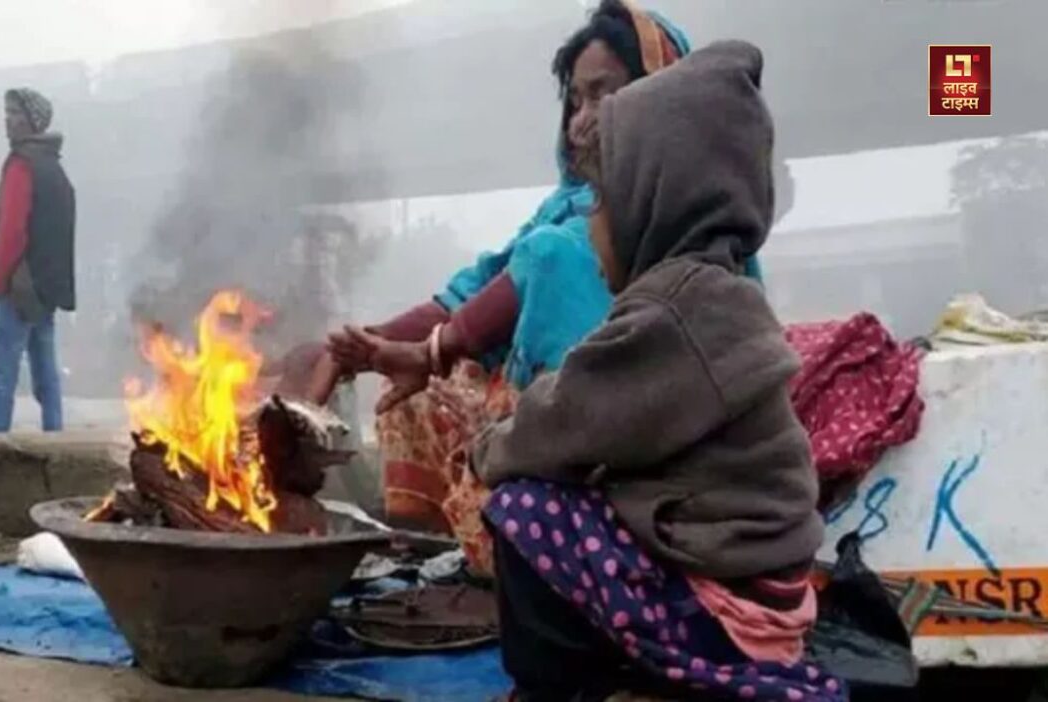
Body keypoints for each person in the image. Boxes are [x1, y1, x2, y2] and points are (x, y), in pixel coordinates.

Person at [314, 0, 762, 576]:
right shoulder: (566, 207)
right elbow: (478, 288)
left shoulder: (687, 218)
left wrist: (433, 355)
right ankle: (458, 550)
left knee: (512, 454)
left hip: (645, 445)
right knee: (419, 398)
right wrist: (359, 348)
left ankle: (545, 535)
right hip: (574, 422)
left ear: (660, 99)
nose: (581, 119)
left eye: (603, 94)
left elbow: (538, 266)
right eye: (575, 101)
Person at [473, 40, 844, 701]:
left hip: (724, 609)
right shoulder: (720, 292)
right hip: (762, 587)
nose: (589, 229)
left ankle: (560, 690)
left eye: (598, 205)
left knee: (525, 508)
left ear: (653, 203)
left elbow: (567, 420)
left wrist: (487, 450)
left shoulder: (672, 310)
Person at [0, 88, 76, 433]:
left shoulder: (21, 166)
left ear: (33, 122)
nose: (8, 120)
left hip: (16, 288)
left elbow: (11, 231)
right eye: (7, 113)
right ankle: (55, 436)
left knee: (3, 372)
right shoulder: (54, 168)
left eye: (16, 114)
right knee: (46, 370)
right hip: (45, 289)